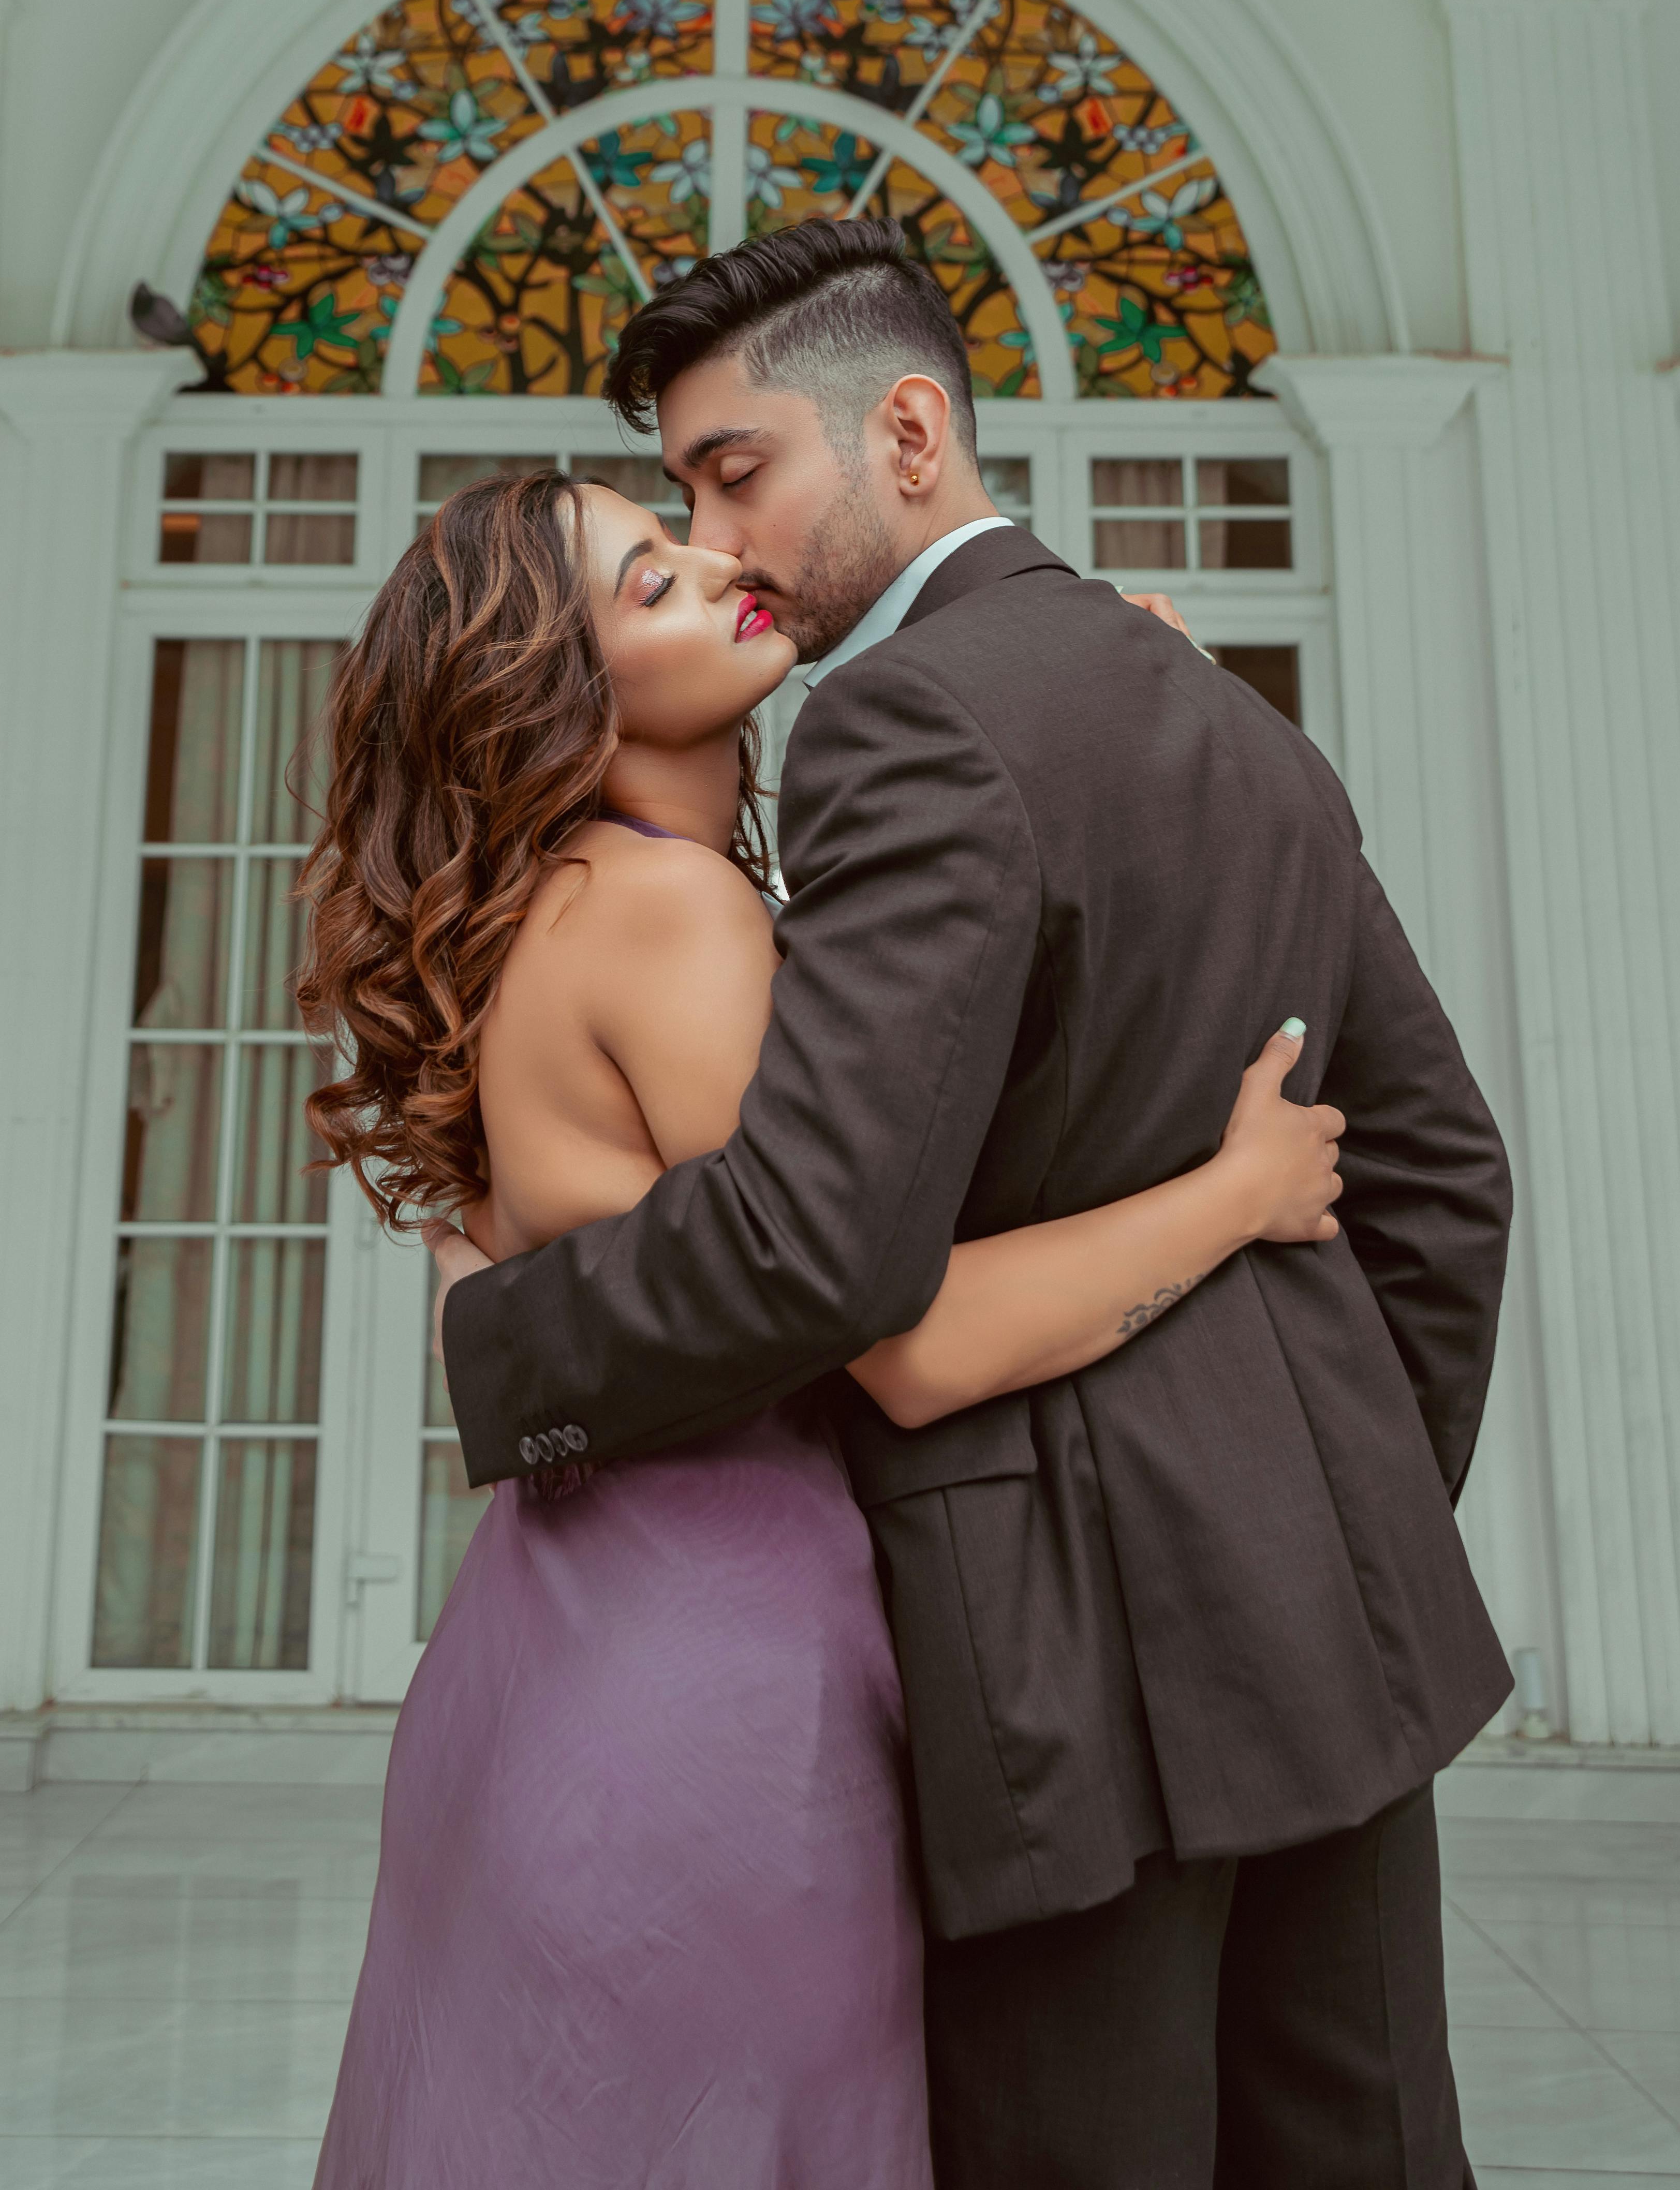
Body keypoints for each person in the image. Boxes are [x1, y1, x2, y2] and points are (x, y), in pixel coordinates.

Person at [436, 216, 1514, 2190]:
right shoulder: (1226, 712)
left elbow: (831, 1248)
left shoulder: (902, 715)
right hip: (1336, 1639)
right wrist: (1329, 1499)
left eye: (734, 474)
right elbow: (1445, 1177)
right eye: (677, 505)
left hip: (1058, 1654)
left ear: (908, 429)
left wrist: (502, 1339)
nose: (722, 535)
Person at [301, 464, 1347, 2190]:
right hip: (716, 1705)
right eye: (650, 582)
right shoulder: (666, 910)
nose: (720, 565)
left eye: (688, 529)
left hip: (554, 1662)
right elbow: (900, 1334)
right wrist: (1235, 1195)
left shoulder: (566, 907)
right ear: (558, 694)